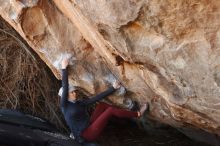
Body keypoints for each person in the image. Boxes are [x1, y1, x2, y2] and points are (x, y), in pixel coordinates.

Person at [58, 59, 148, 145]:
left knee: (102, 105)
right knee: (110, 111)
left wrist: (113, 88)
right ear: (66, 96)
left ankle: (121, 119)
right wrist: (64, 68)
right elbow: (65, 87)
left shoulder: (79, 103)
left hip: (89, 125)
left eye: (74, 91)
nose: (74, 94)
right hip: (86, 134)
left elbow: (96, 98)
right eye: (71, 93)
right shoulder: (64, 106)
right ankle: (138, 114)